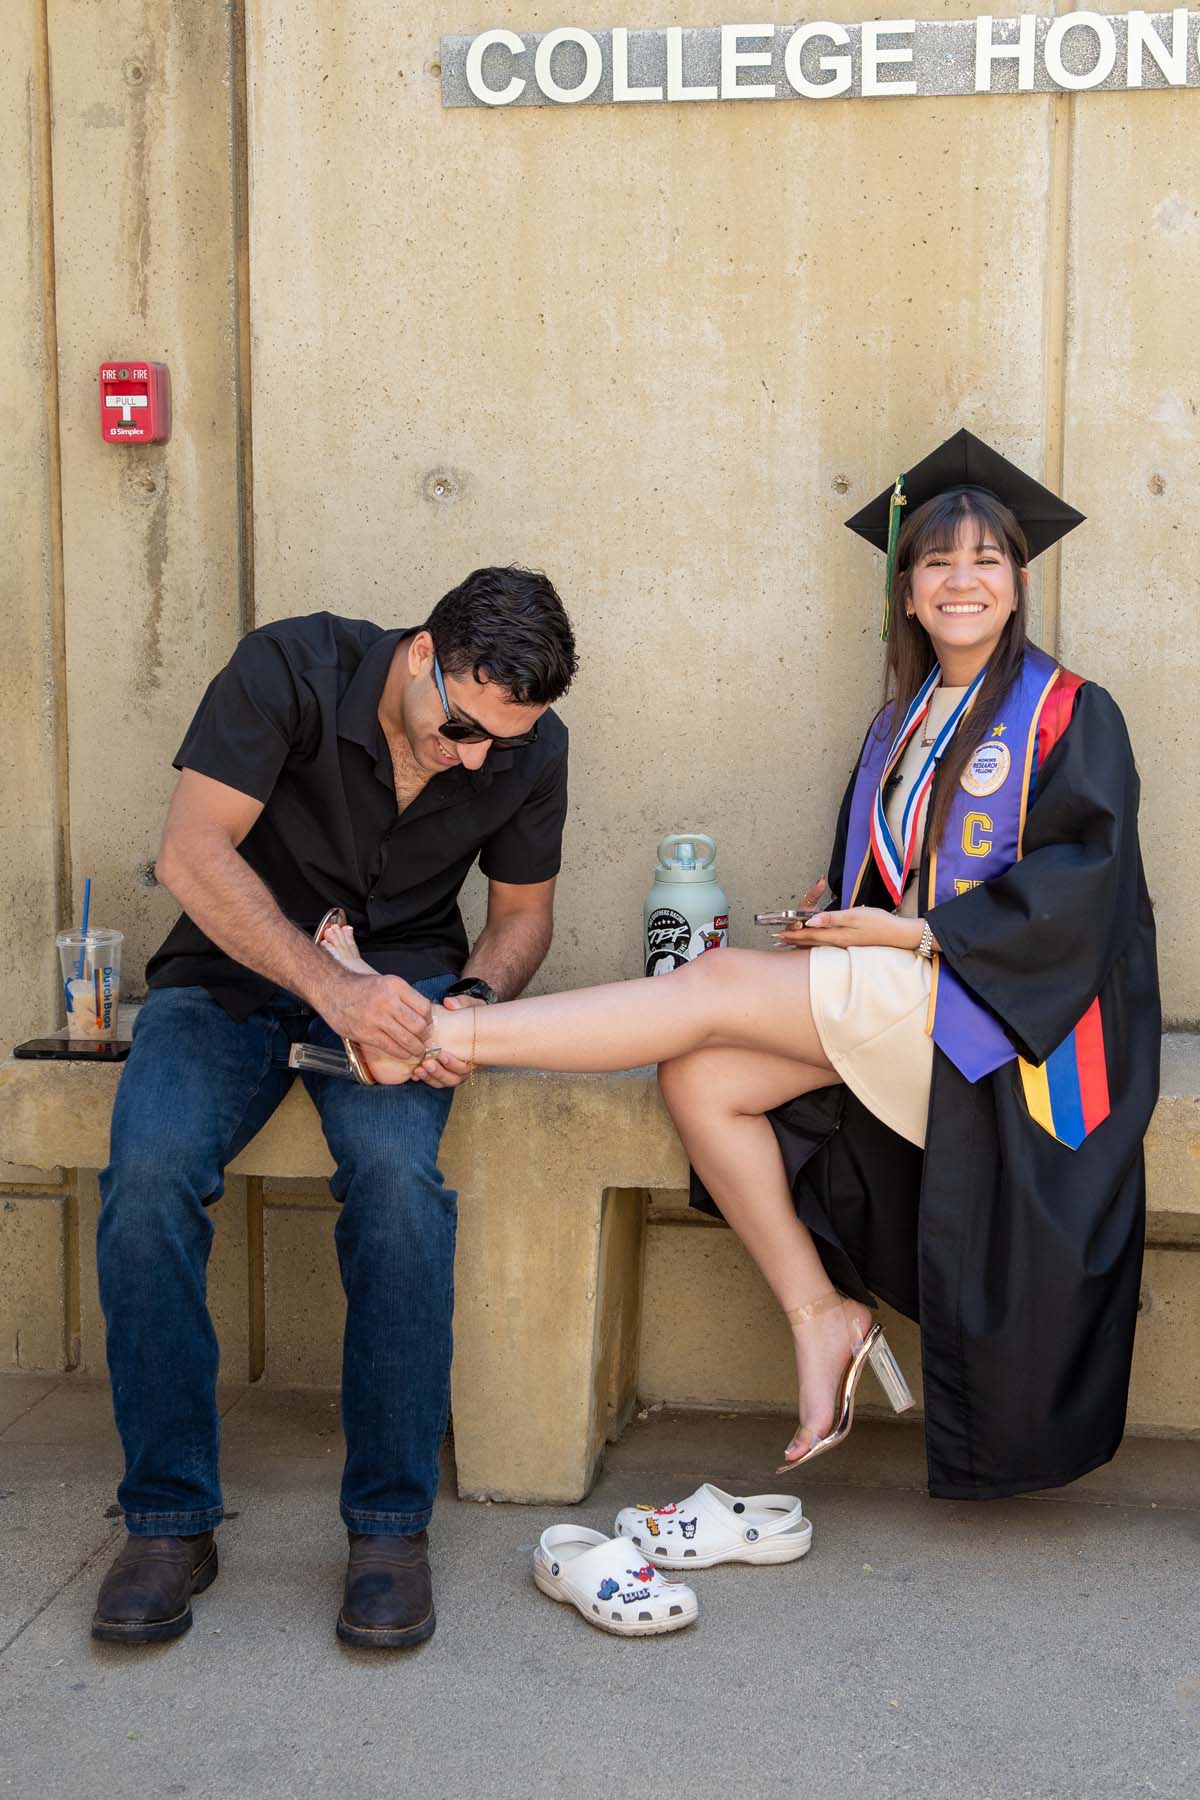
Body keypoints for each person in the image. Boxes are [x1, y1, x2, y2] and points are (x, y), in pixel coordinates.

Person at [336, 432, 1160, 1505]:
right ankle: (823, 1314)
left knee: (716, 989)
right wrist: (836, 909)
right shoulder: (902, 725)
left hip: (1016, 1029)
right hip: (916, 1000)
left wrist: (910, 936)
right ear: (905, 592)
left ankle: (441, 1034)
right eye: (938, 562)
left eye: (987, 561)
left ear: (1017, 582)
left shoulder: (1068, 712)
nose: (964, 582)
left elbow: (1083, 894)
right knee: (704, 1080)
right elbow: (890, 875)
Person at [92, 567, 577, 1649]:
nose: (474, 759)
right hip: (231, 967)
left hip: (406, 983)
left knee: (401, 1190)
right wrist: (331, 990)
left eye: (500, 741)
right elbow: (191, 852)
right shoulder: (289, 668)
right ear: (420, 654)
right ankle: (169, 1520)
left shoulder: (527, 745)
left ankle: (389, 1531)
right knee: (148, 1178)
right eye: (458, 728)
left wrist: (474, 1011)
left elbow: (523, 915)